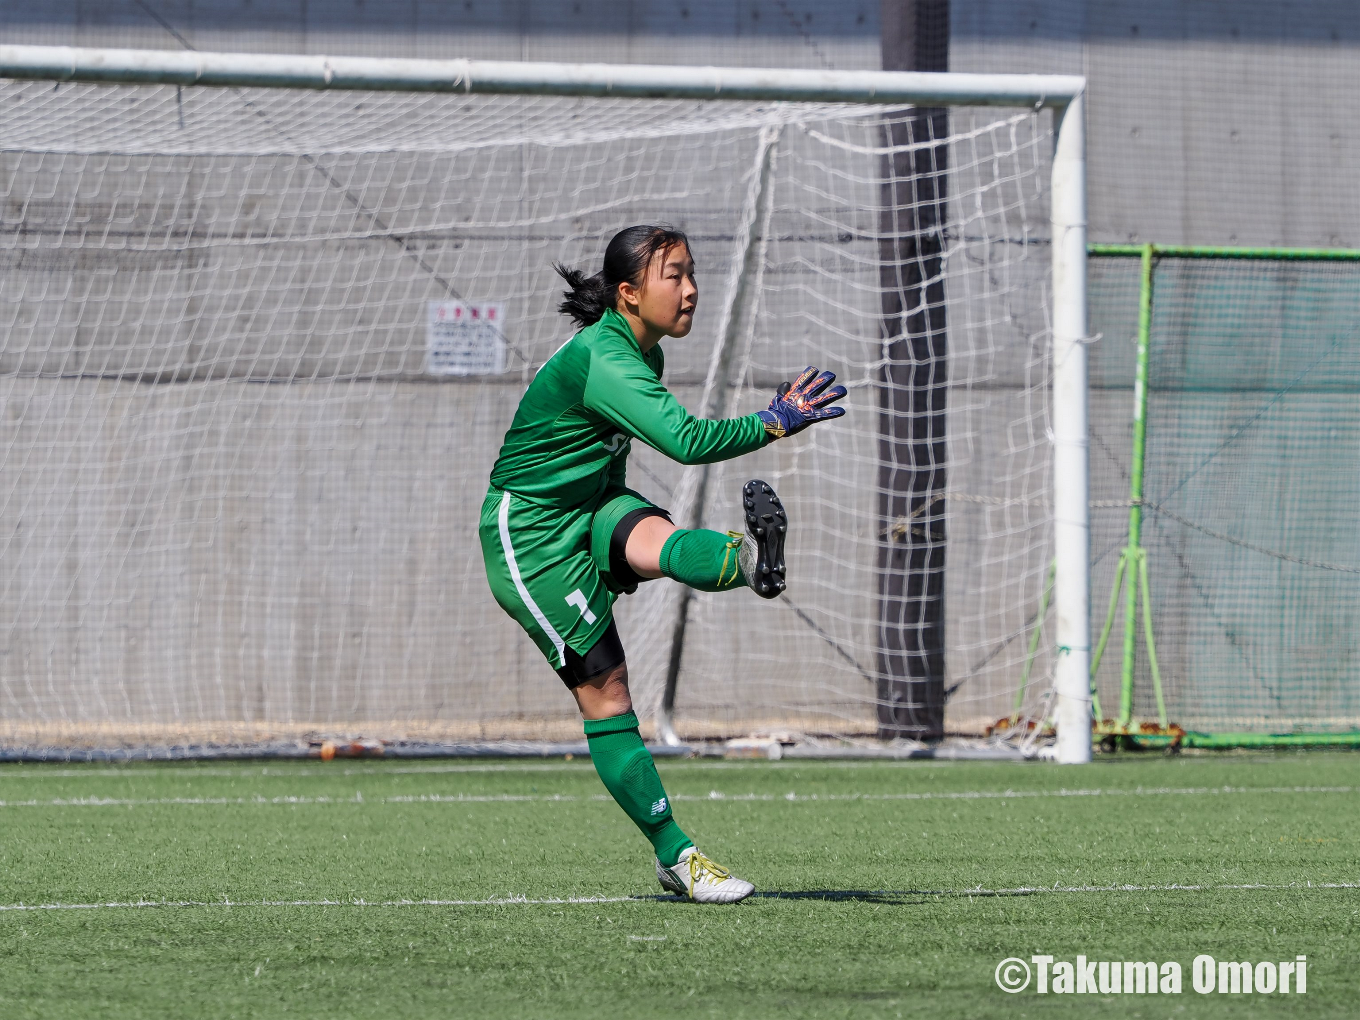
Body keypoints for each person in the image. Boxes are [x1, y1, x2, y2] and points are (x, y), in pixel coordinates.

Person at [479, 224, 846, 903]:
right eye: (673, 275)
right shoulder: (608, 357)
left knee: (664, 543)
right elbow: (683, 440)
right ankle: (676, 856)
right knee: (609, 695)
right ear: (628, 292)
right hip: (530, 535)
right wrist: (774, 421)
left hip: (589, 503)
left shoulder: (641, 352)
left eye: (691, 272)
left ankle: (751, 562)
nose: (690, 289)